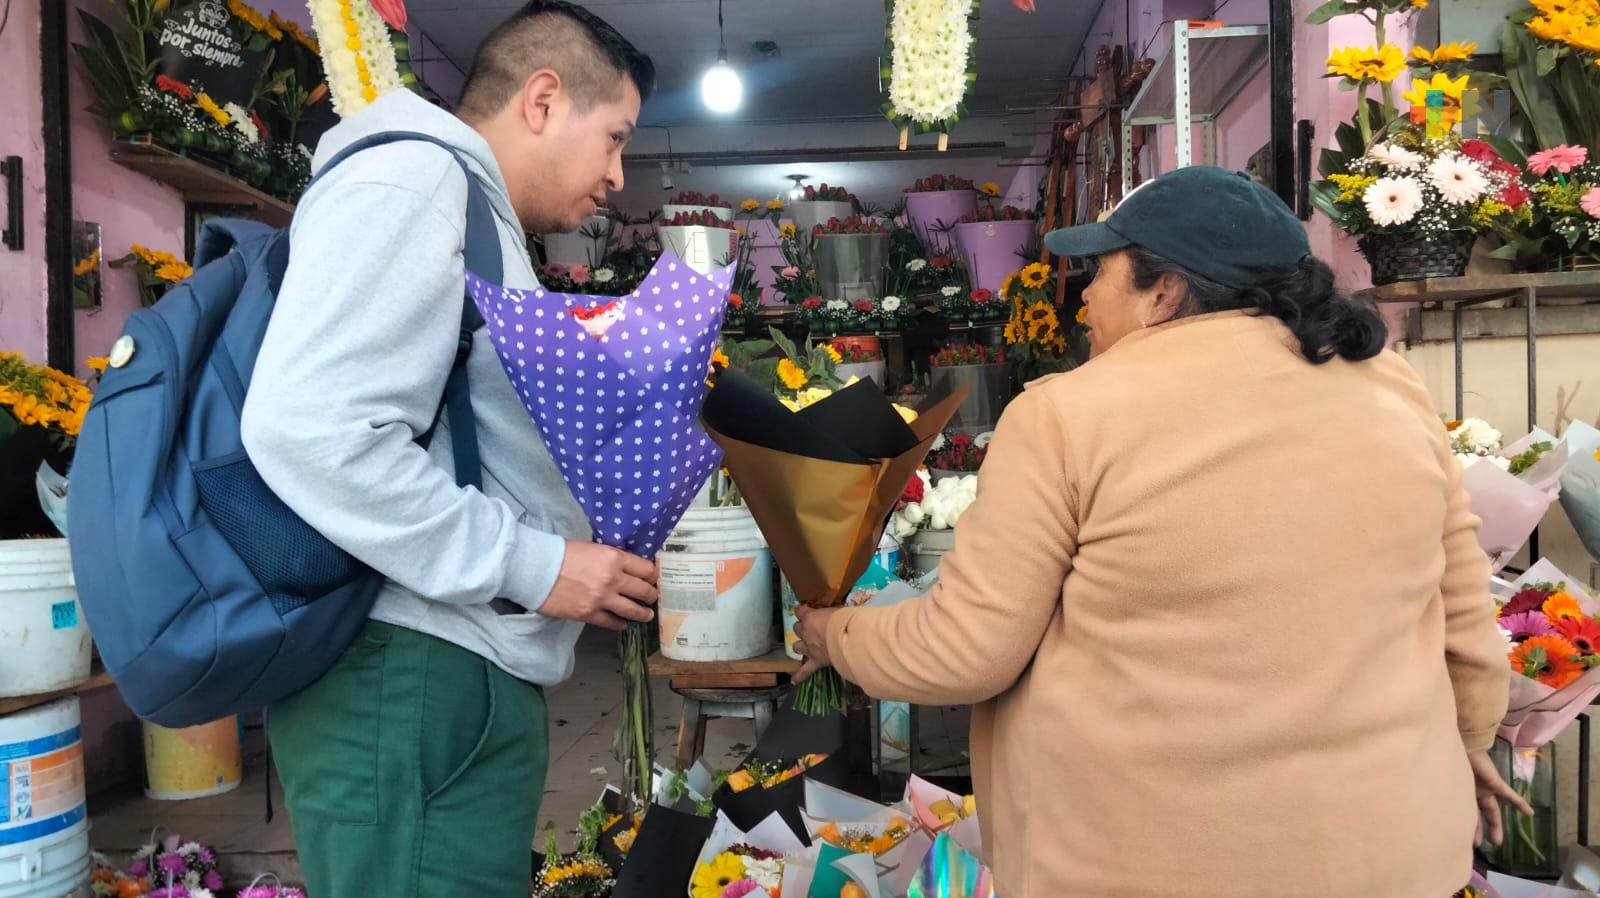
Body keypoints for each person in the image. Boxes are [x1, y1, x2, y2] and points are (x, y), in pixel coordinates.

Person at [793, 166, 1529, 897]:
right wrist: (1469, 742)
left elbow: (965, 652)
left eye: (1102, 272)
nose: (1083, 296)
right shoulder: (1392, 387)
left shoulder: (1067, 416)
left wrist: (838, 637)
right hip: (1393, 850)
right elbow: (1462, 608)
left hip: (1148, 863)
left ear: (1164, 292)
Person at [239, 4, 657, 896]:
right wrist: (535, 564)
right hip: (407, 677)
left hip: (446, 673)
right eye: (615, 138)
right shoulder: (415, 181)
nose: (618, 176)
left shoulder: (473, 212)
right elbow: (310, 427)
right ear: (542, 100)